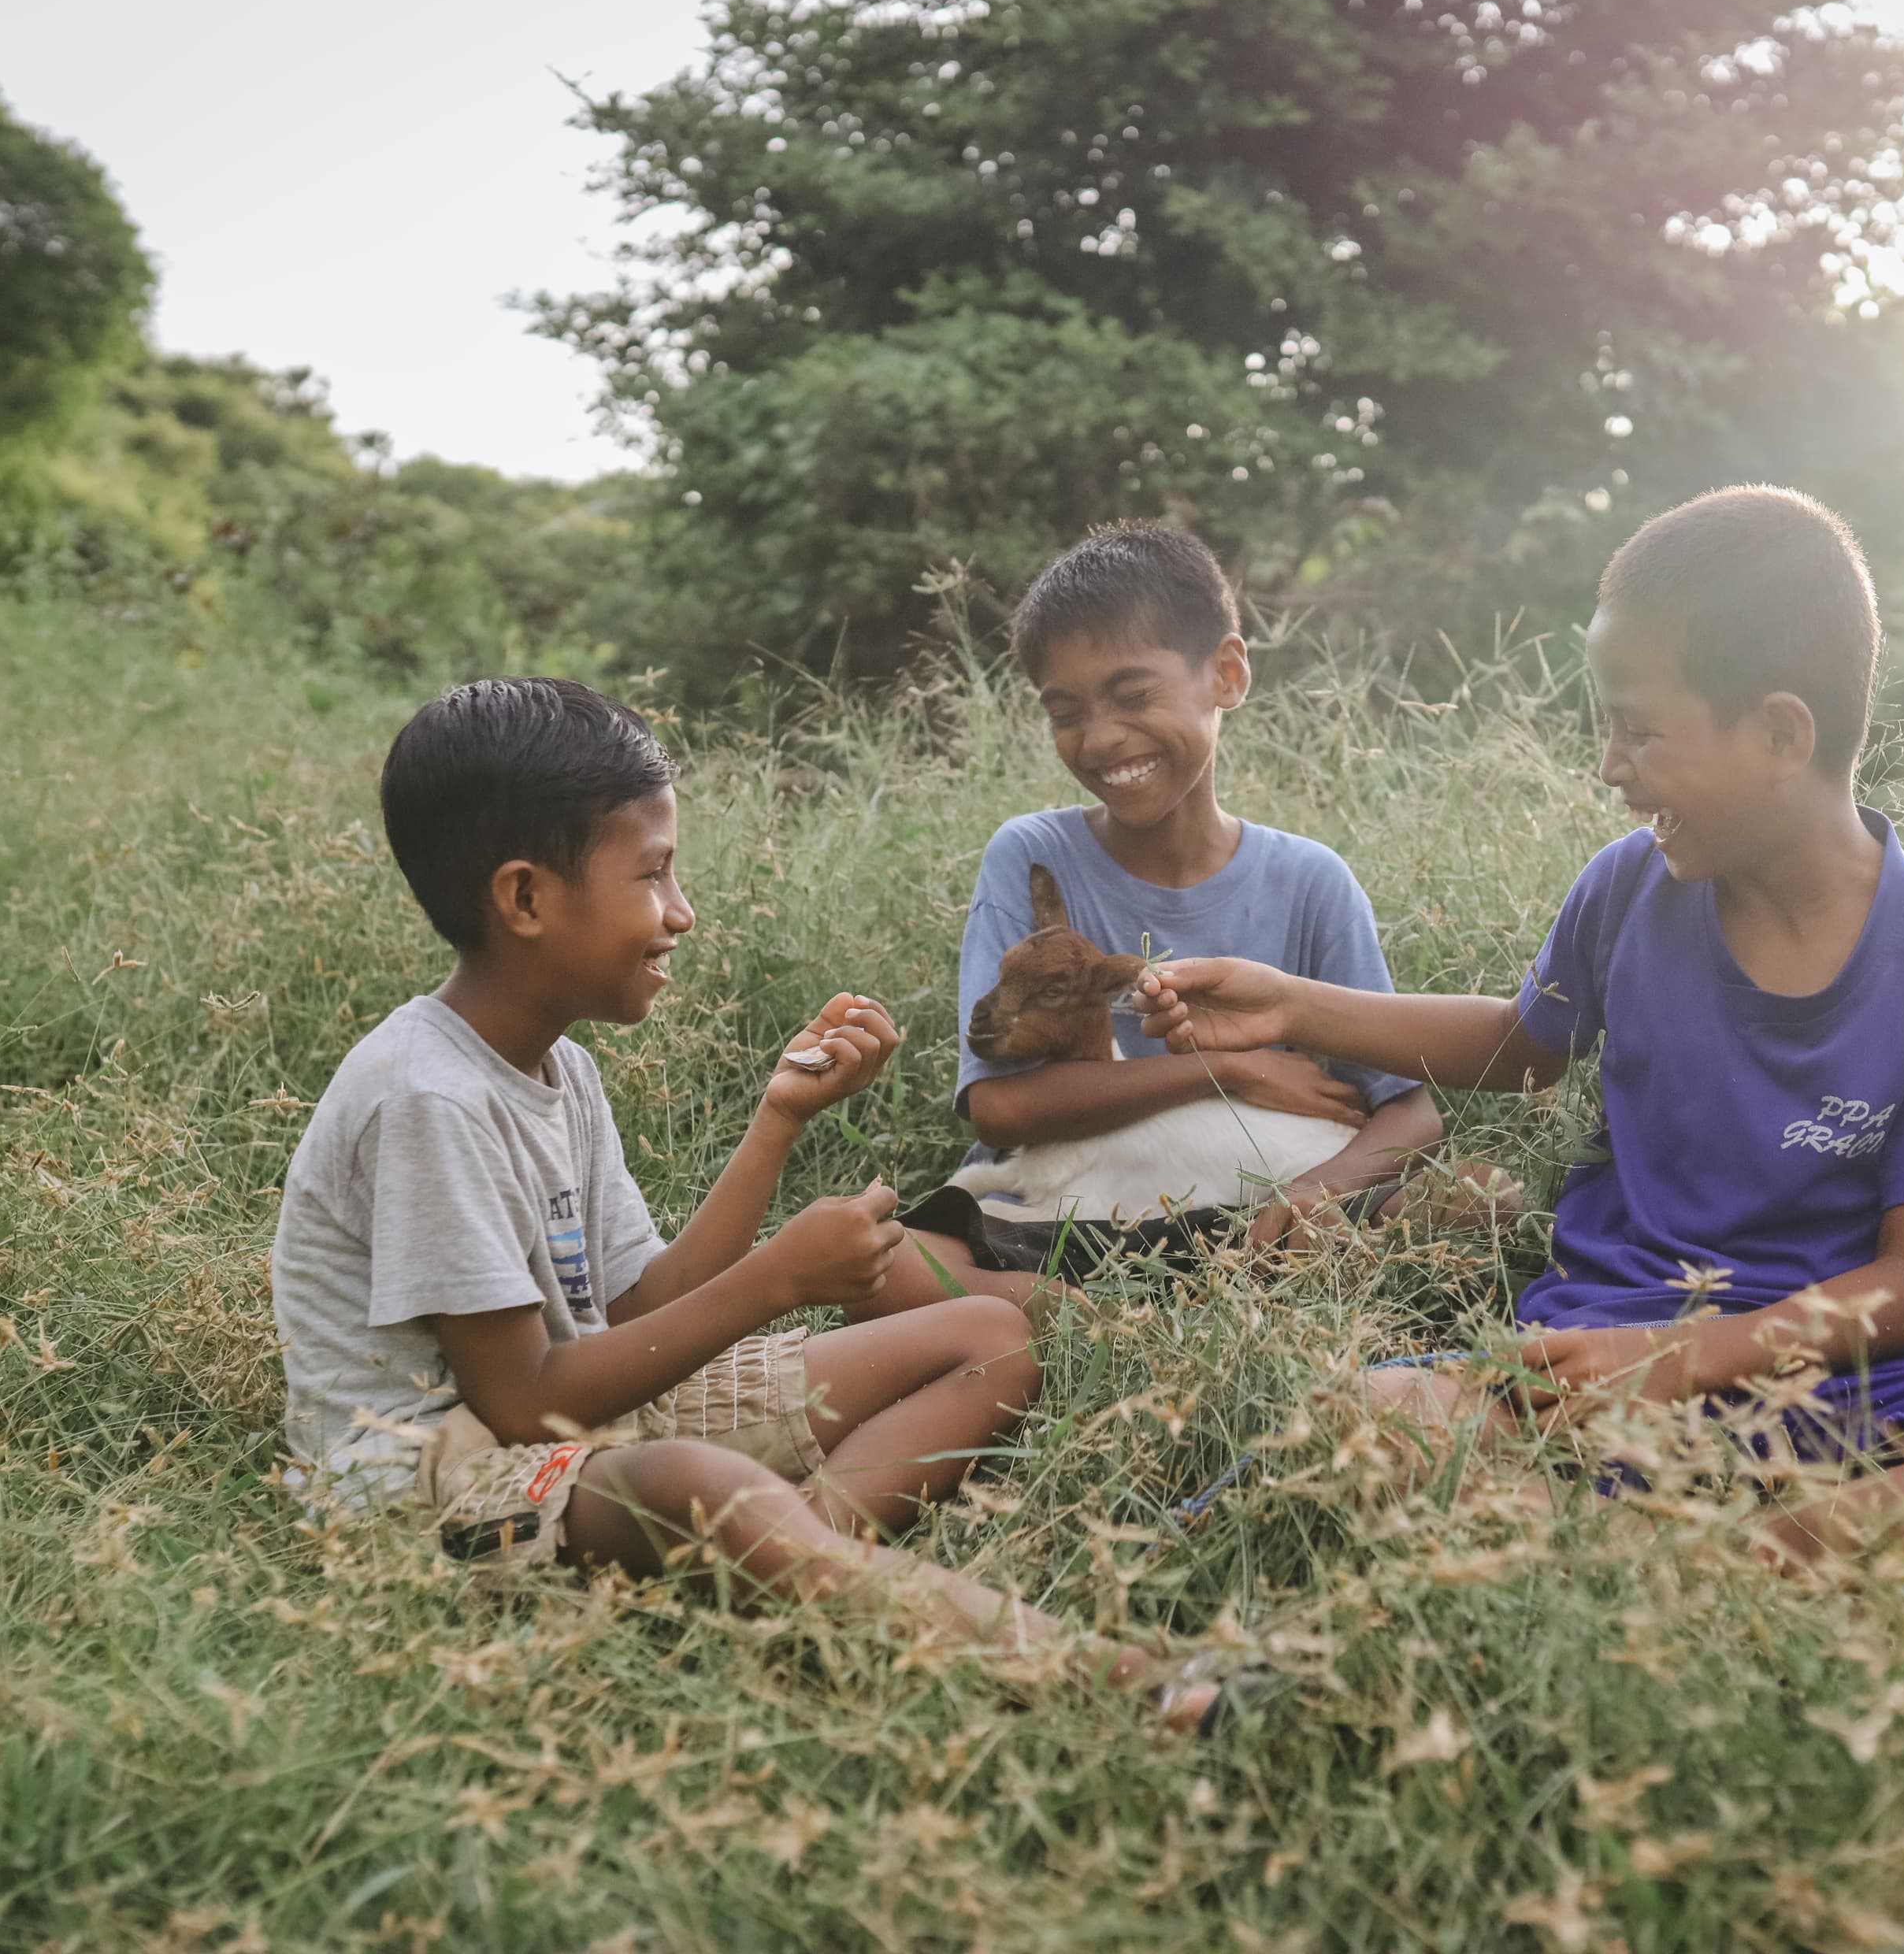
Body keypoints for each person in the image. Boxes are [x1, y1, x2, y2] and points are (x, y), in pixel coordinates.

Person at [1137, 488, 1904, 1563]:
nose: (1610, 770)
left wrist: (1680, 1358)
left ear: (1779, 733)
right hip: (1593, 1365)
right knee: (1375, 1410)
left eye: (1638, 732)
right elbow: (1527, 1048)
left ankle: (1713, 1564)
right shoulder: (1628, 890)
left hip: (1849, 1383)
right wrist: (1293, 1004)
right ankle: (1725, 1559)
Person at [270, 677, 1223, 1721]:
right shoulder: (429, 1097)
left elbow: (636, 1307)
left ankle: (784, 1557)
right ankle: (1128, 1685)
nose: (682, 912)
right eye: (654, 874)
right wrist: (777, 1283)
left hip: (585, 1415)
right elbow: (518, 1403)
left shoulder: (559, 1072)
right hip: (432, 1473)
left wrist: (779, 1122)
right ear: (527, 900)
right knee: (693, 1482)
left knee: (988, 1334)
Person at [874, 522, 1494, 1310]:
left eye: (1134, 696)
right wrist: (1225, 1069)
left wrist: (1321, 1194)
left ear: (1227, 674)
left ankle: (1112, 1320)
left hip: (1261, 1207)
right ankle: (1115, 1321)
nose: (1100, 738)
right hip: (1068, 1212)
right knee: (891, 1263)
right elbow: (999, 1105)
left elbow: (1407, 1108)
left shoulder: (1311, 881)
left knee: (1481, 1202)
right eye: (1066, 712)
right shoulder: (1032, 853)